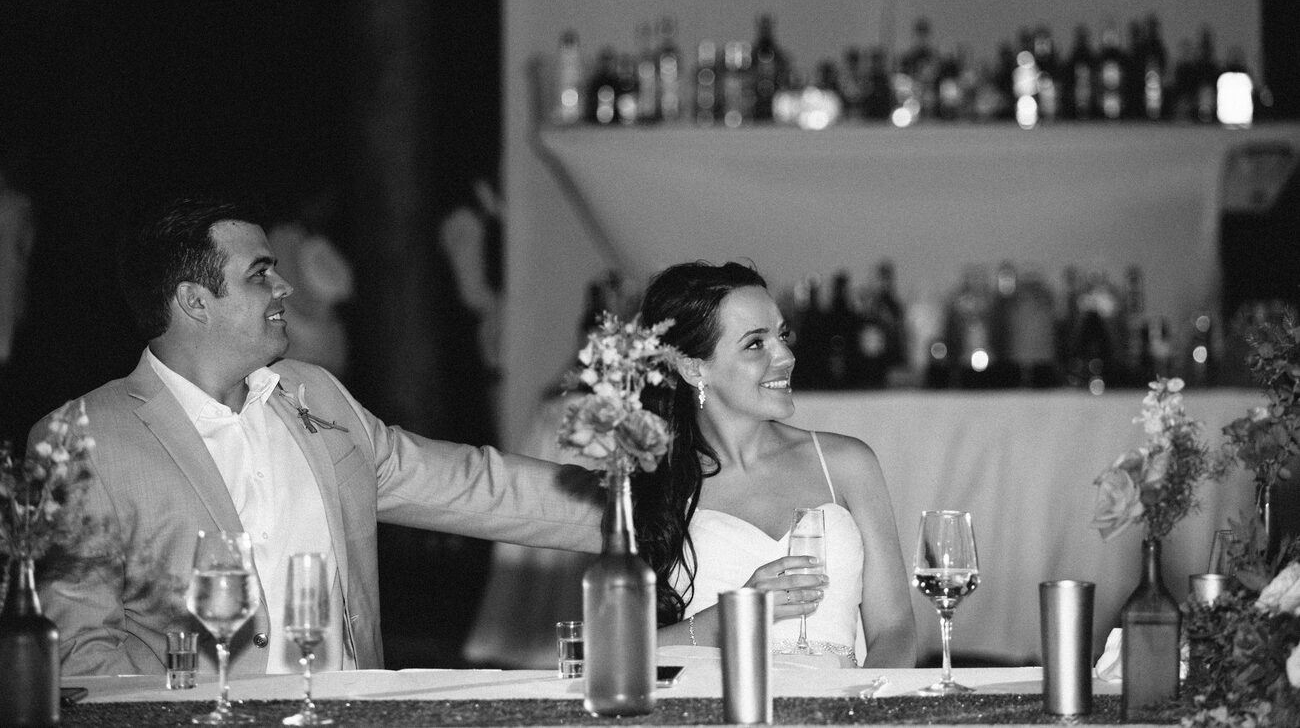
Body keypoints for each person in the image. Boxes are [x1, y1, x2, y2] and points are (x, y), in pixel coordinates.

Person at [32, 195, 602, 677]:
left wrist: (647, 510)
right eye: (259, 274)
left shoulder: (315, 395)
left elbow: (472, 485)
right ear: (194, 302)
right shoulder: (83, 439)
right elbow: (78, 652)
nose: (283, 286)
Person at [633, 261, 917, 668]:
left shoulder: (847, 463)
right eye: (755, 344)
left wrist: (857, 709)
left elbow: (896, 630)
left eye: (783, 335)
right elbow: (615, 654)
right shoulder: (654, 485)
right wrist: (736, 615)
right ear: (694, 367)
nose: (785, 356)